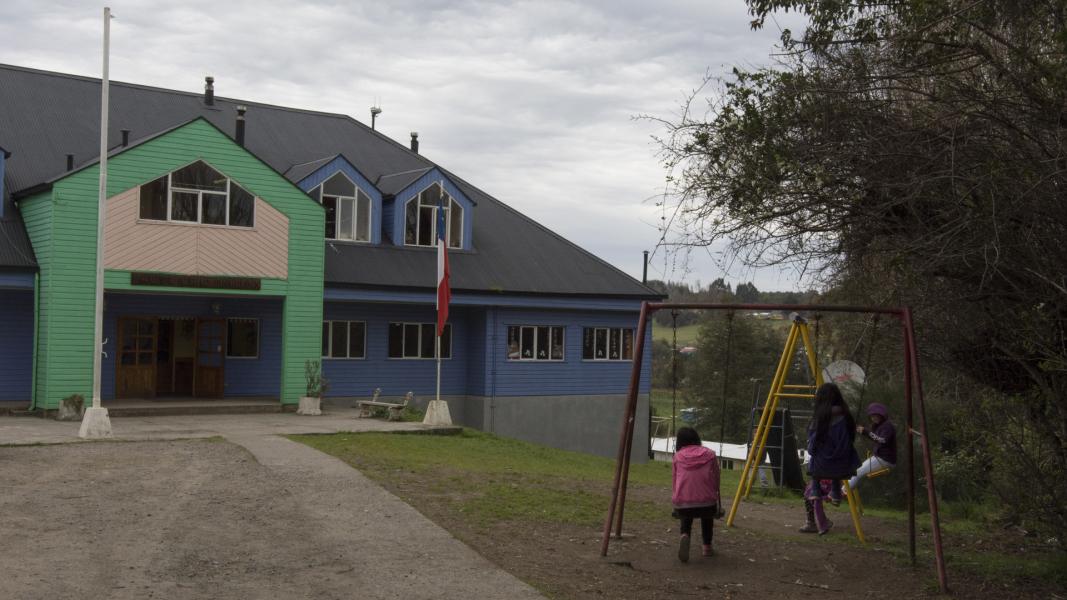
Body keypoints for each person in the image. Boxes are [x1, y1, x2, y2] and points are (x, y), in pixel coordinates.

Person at [799, 382, 861, 535]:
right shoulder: (846, 418)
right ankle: (835, 492)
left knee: (817, 458)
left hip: (820, 469)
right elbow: (850, 441)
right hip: (843, 467)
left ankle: (815, 490)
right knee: (841, 456)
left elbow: (812, 449)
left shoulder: (818, 421)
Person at [671, 427, 721, 562]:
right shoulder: (710, 454)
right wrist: (715, 492)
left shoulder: (678, 456)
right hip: (707, 503)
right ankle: (707, 546)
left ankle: (685, 535)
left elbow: (675, 480)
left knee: (686, 514)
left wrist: (675, 499)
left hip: (684, 503)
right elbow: (716, 476)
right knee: (707, 518)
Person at [849, 402, 897, 490]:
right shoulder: (879, 426)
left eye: (876, 415)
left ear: (881, 415)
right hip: (880, 458)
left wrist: (866, 432)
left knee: (857, 472)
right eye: (872, 416)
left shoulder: (887, 426)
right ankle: (842, 491)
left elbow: (882, 440)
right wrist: (863, 431)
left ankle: (842, 492)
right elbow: (874, 437)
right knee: (857, 470)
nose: (873, 418)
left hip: (885, 459)